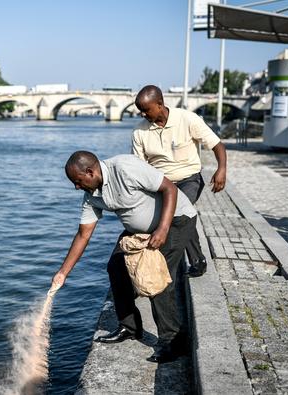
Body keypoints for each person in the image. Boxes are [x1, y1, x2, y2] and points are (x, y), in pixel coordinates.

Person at [51, 151, 197, 363]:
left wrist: (163, 229)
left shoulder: (125, 167)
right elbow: (84, 234)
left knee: (155, 278)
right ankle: (130, 327)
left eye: (78, 181)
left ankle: (173, 340)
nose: (76, 187)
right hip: (139, 231)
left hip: (175, 220)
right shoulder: (91, 195)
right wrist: (62, 273)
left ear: (90, 172)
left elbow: (169, 189)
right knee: (116, 267)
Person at [132, 85, 227, 277]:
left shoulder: (187, 118)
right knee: (176, 215)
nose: (142, 114)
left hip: (189, 179)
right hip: (160, 183)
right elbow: (138, 168)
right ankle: (198, 259)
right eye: (140, 111)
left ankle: (167, 267)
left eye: (146, 110)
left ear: (160, 104)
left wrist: (221, 169)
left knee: (177, 210)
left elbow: (216, 144)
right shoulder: (139, 132)